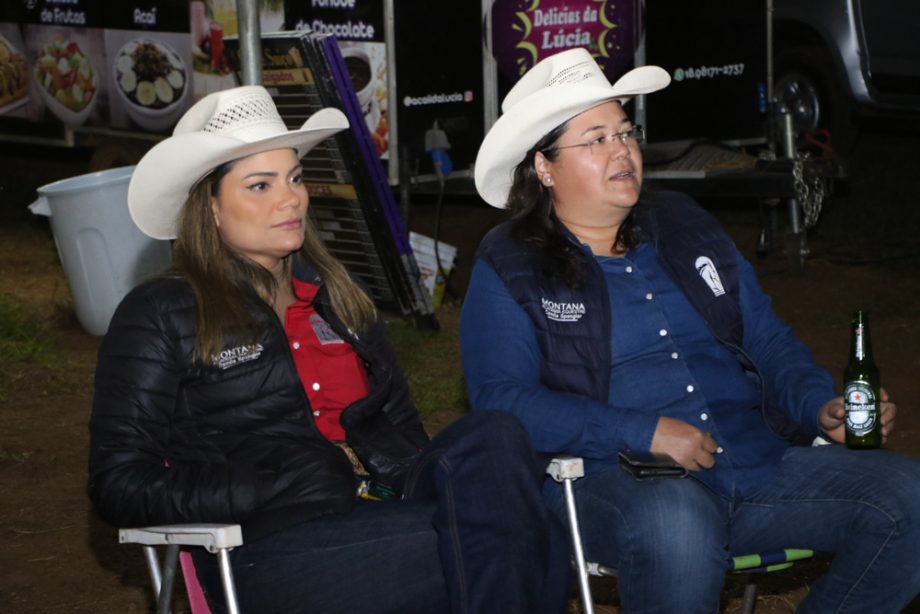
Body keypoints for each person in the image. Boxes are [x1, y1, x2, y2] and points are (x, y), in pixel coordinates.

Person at [461, 48, 920, 612]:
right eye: (596, 138)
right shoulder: (512, 261)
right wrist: (640, 430)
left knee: (908, 498)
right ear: (545, 167)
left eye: (625, 132)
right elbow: (500, 400)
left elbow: (767, 340)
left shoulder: (683, 225)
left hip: (753, 463)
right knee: (676, 524)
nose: (622, 149)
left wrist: (818, 406)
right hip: (612, 480)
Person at [88, 85, 570, 614]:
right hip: (269, 544)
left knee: (495, 437)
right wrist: (271, 483)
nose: (290, 198)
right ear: (211, 208)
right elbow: (119, 482)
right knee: (519, 537)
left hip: (384, 507)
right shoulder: (163, 311)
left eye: (294, 178)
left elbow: (404, 434)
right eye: (260, 185)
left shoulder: (339, 299)